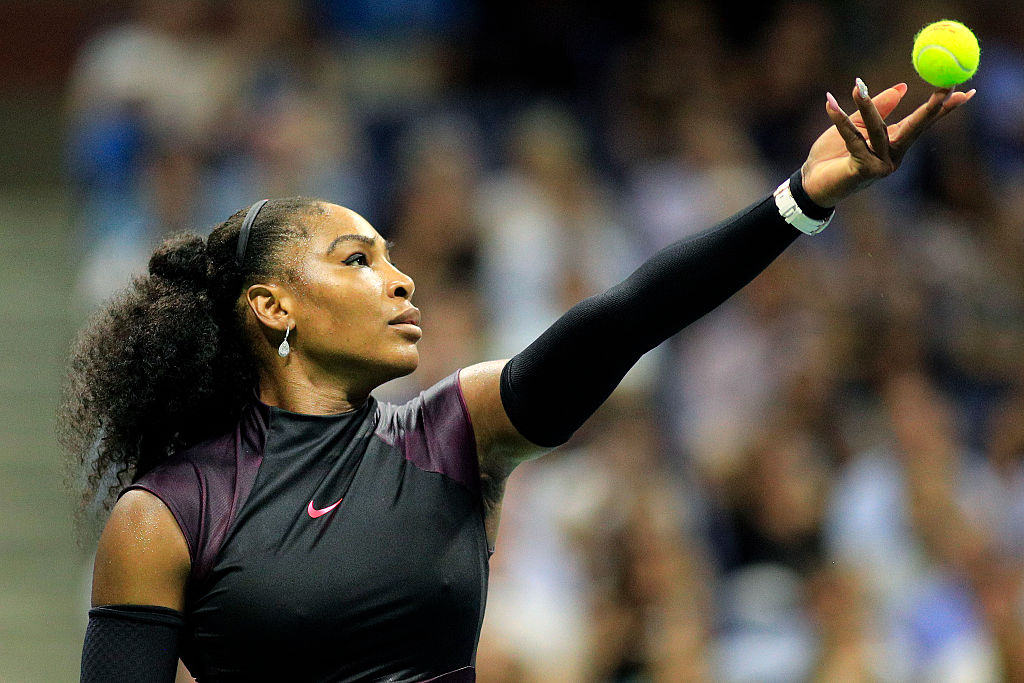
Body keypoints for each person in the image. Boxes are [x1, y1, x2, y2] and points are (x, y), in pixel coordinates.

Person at [62, 80, 973, 682]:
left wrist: (800, 199)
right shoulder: (164, 516)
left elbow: (624, 318)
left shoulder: (454, 431)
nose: (401, 278)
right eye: (356, 259)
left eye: (392, 257)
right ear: (272, 308)